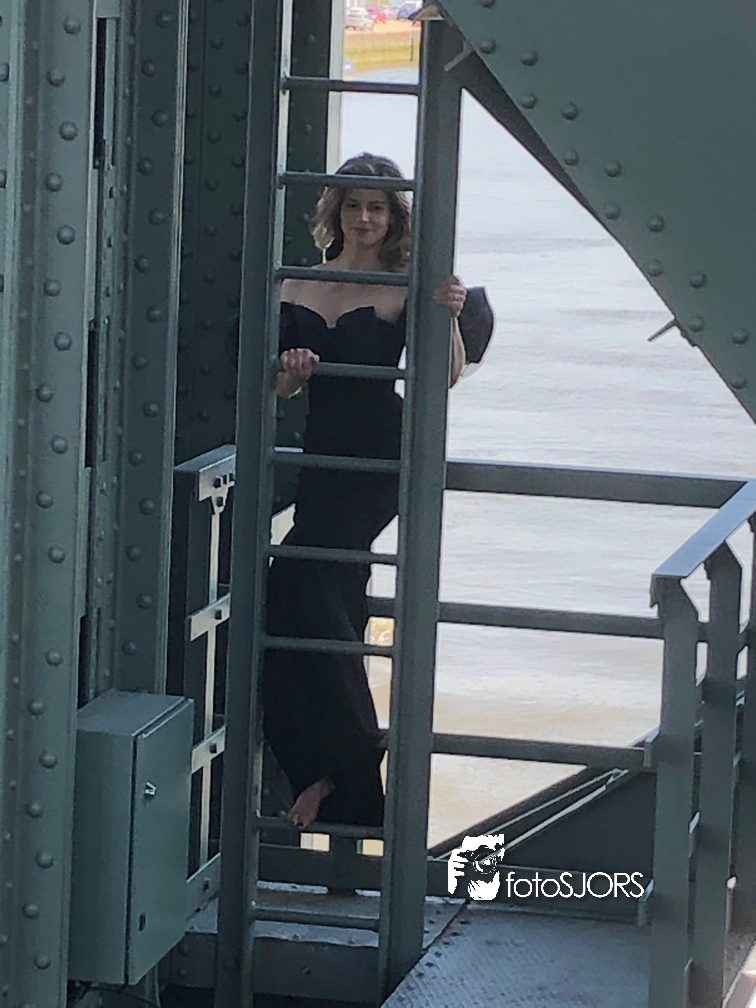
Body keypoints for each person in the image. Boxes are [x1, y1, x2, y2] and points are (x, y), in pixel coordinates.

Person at [263, 152, 468, 830]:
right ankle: (331, 778)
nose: (365, 217)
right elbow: (280, 387)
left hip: (379, 457)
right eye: (353, 205)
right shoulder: (299, 282)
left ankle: (346, 769)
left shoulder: (405, 286)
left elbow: (443, 376)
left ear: (393, 217)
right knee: (312, 603)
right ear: (337, 211)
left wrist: (451, 315)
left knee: (303, 583)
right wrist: (291, 370)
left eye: (377, 207)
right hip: (323, 453)